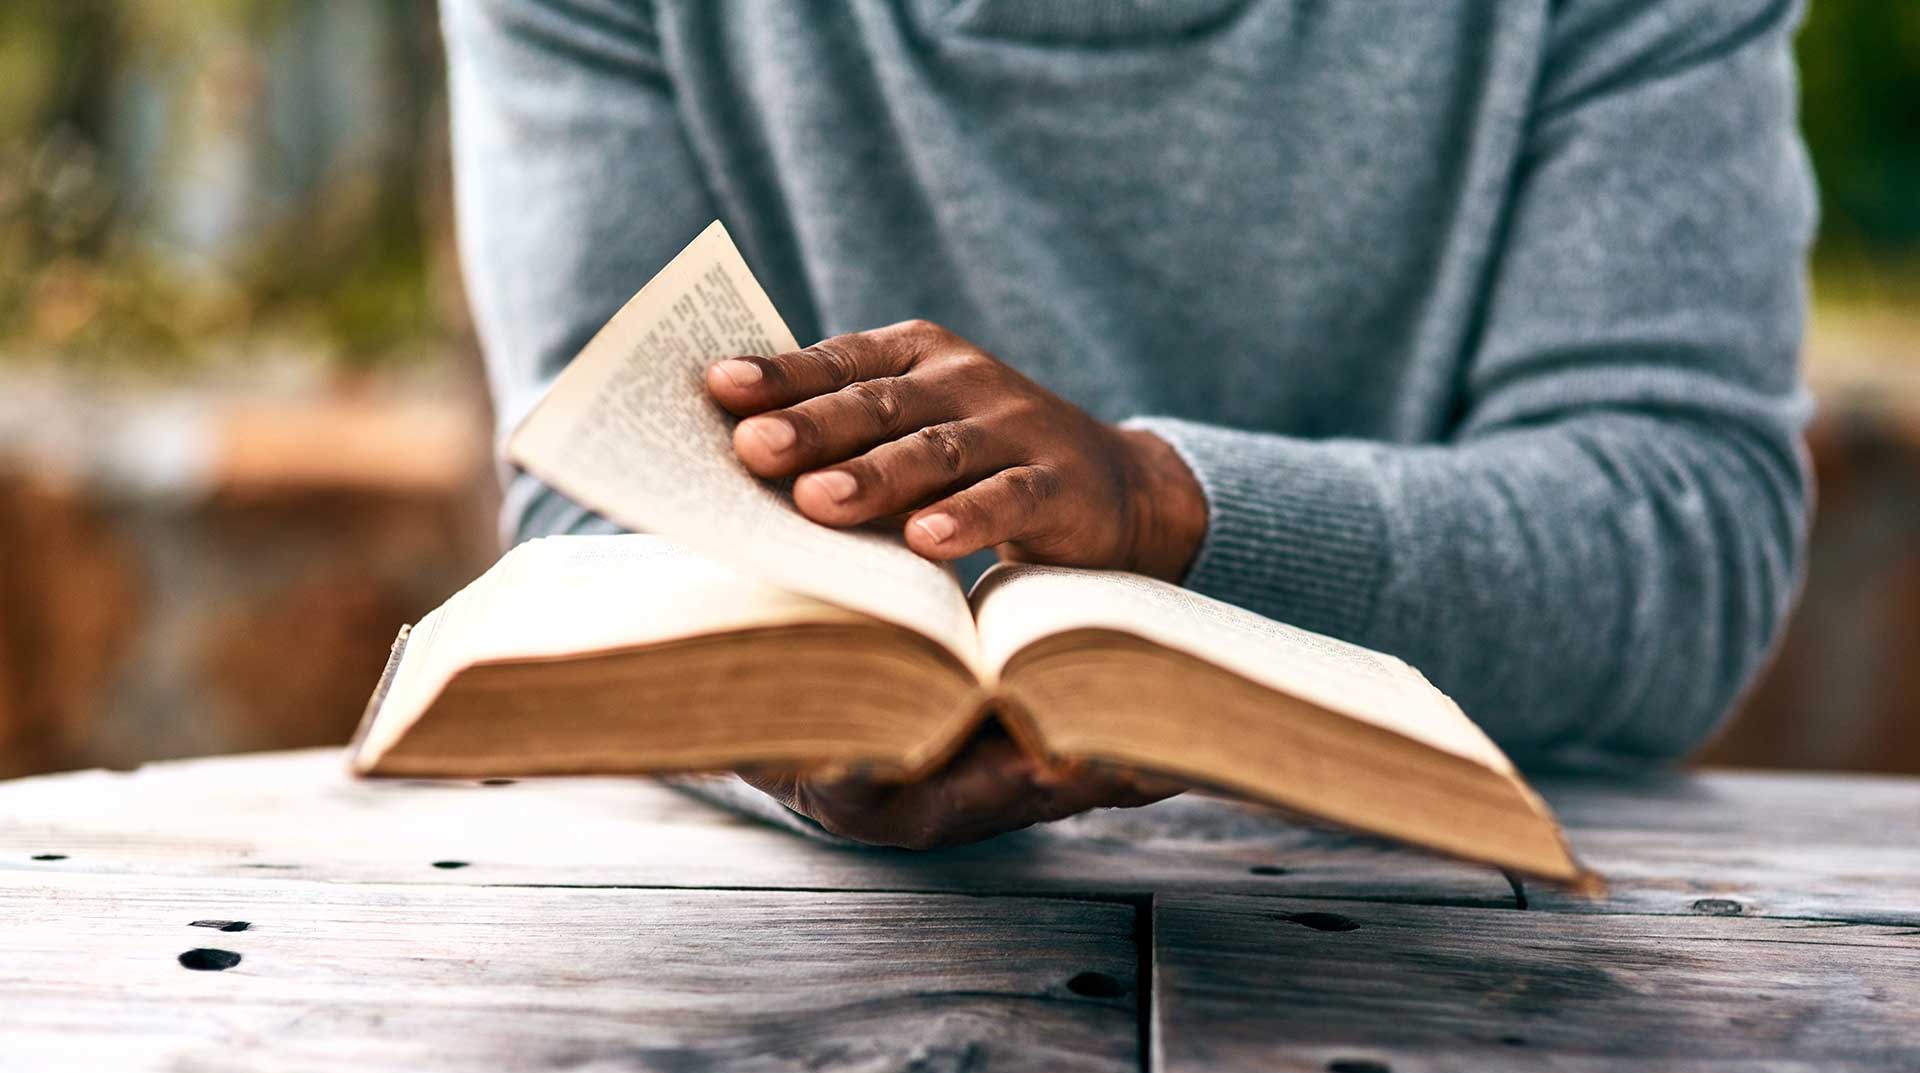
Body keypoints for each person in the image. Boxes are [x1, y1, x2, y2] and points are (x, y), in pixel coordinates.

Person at [441, 0, 1815, 847]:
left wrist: (1168, 506)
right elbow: (597, 506)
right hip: (805, 981)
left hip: (1470, 959)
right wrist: (781, 728)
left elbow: (1682, 531)